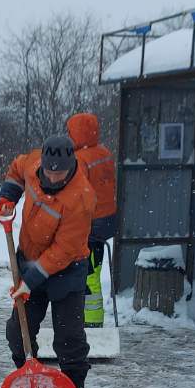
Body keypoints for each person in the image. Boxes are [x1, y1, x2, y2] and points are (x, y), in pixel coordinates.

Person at [0, 134, 96, 388]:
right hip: (29, 259)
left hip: (67, 270)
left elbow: (63, 251)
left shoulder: (81, 197)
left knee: (69, 340)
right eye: (49, 173)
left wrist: (30, 281)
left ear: (70, 165)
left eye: (60, 174)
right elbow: (17, 169)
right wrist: (8, 196)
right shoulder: (33, 163)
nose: (53, 179)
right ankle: (30, 377)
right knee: (18, 332)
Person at [66, 112, 117, 329]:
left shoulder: (80, 160)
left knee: (87, 273)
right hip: (107, 221)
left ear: (77, 133)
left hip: (91, 223)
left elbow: (79, 195)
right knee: (92, 268)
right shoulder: (104, 153)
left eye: (70, 132)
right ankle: (89, 317)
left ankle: (91, 321)